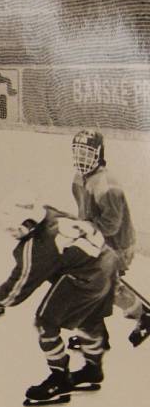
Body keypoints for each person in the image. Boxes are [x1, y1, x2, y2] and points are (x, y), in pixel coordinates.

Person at [0, 190, 119, 406]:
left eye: (13, 228)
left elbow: (19, 287)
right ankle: (93, 369)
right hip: (106, 261)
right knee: (89, 317)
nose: (11, 233)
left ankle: (60, 379)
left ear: (28, 223)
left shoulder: (37, 247)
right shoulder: (51, 213)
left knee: (45, 323)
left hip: (84, 278)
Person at [68, 129, 150, 349]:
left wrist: (85, 230)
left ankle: (143, 315)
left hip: (117, 245)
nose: (81, 159)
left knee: (106, 287)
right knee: (93, 285)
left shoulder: (107, 185)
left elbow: (111, 225)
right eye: (78, 153)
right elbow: (85, 212)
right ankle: (96, 334)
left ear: (99, 154)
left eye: (87, 154)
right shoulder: (79, 178)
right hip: (98, 241)